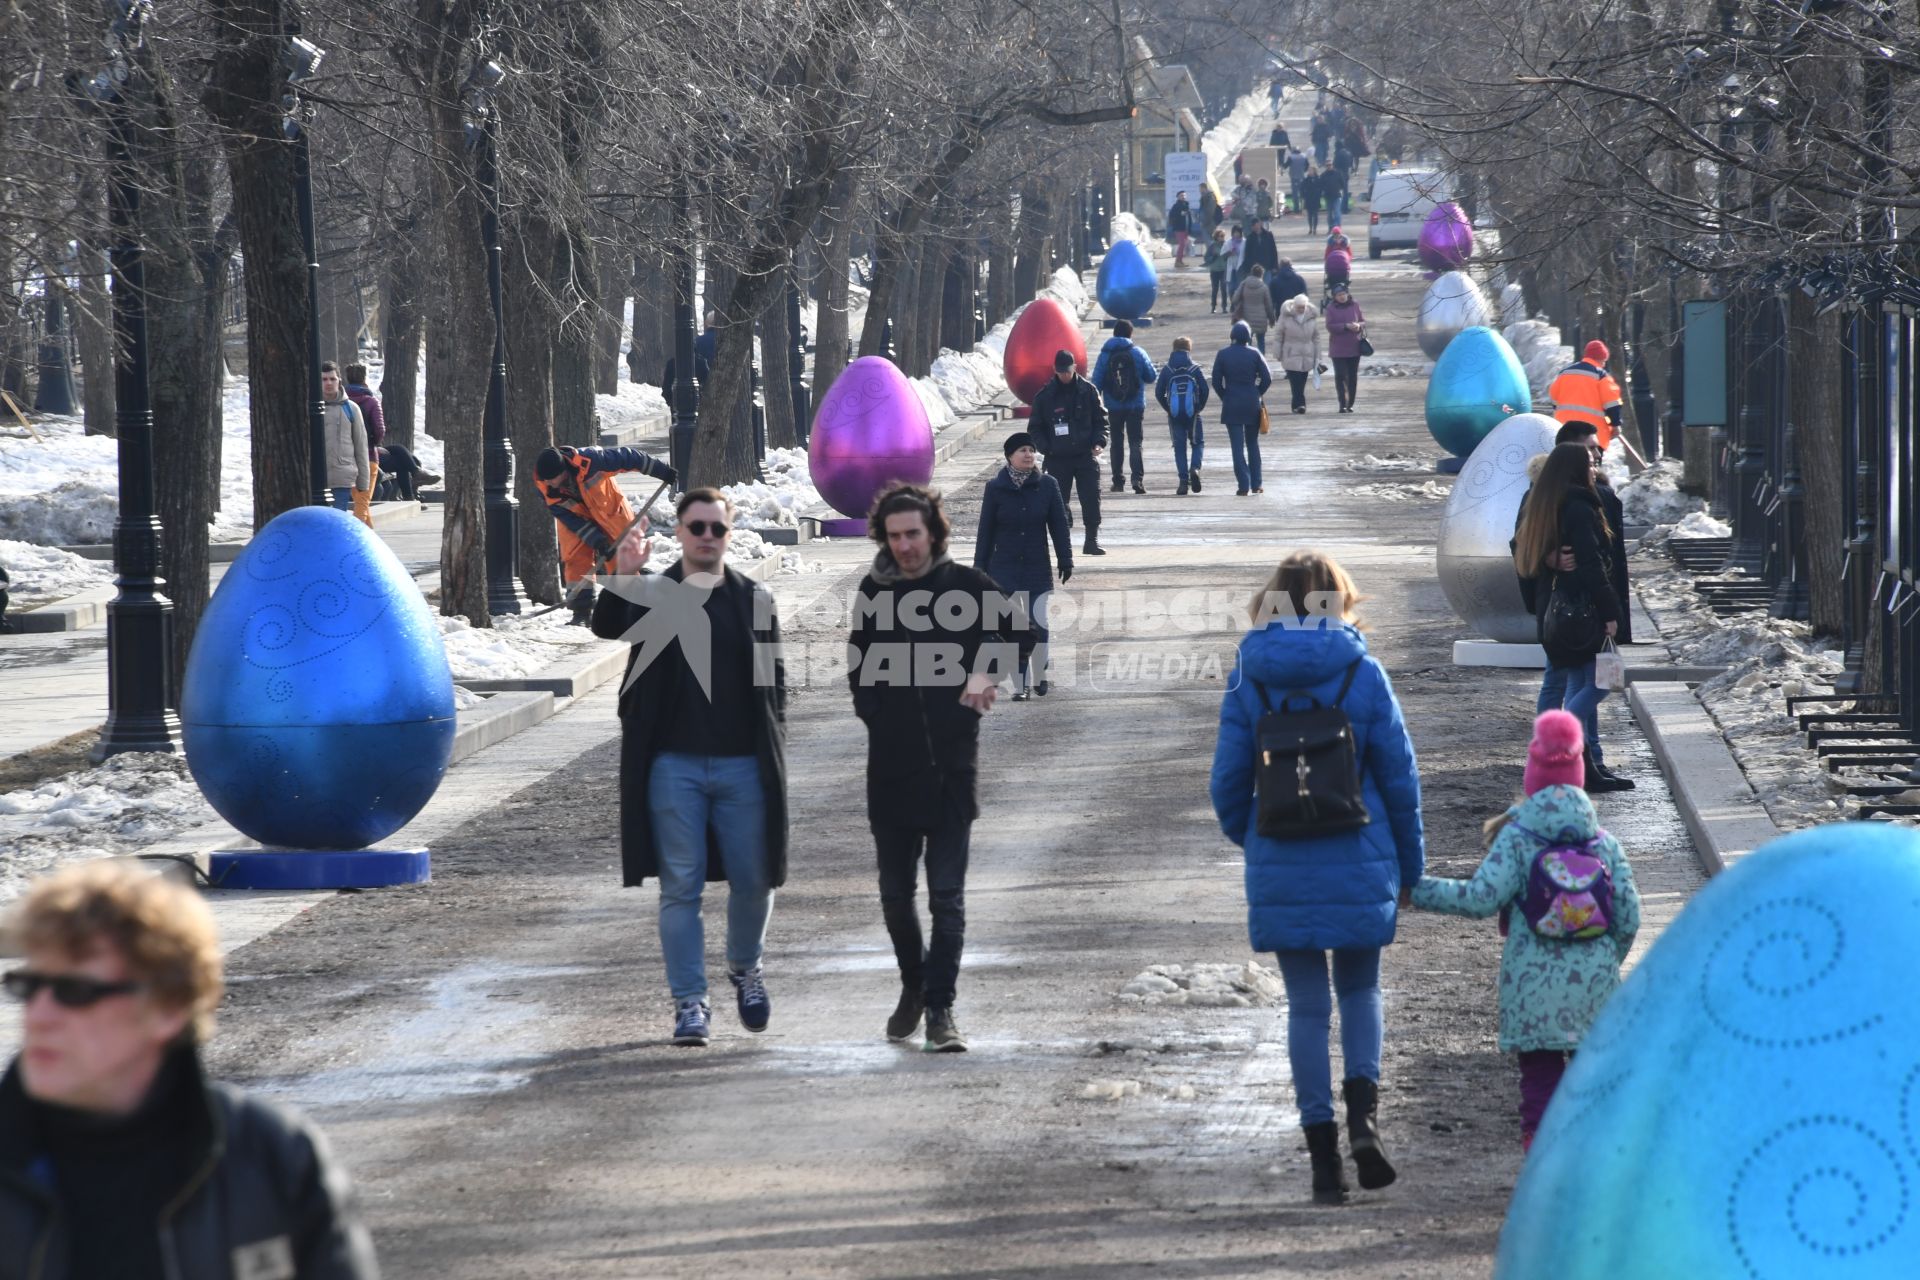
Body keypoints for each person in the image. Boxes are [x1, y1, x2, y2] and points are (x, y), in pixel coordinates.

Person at [0, 862, 379, 1274]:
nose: (39, 1015)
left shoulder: (271, 1155)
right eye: (29, 987)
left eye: (74, 991)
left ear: (168, 1008)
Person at [1209, 551, 1425, 1205]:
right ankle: (1364, 1118)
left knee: (1305, 1007)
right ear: (1340, 599)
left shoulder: (1249, 675)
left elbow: (1226, 783)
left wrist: (1253, 836)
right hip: (1360, 851)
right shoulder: (1363, 673)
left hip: (1281, 851)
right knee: (1360, 990)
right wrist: (1409, 867)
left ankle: (1323, 1156)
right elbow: (1400, 778)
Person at [591, 488, 790, 1045]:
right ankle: (690, 1003)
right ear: (679, 533)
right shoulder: (659, 592)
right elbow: (607, 625)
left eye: (716, 529)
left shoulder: (755, 599)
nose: (706, 537)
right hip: (672, 767)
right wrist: (623, 571)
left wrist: (773, 757)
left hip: (743, 767)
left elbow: (774, 691)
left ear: (728, 534)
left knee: (755, 879)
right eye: (696, 527)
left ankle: (745, 967)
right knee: (681, 886)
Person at [1409, 710, 1641, 1151]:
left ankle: (1540, 1154)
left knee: (1539, 1080)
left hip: (1531, 990)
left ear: (1532, 777)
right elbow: (1630, 917)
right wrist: (1606, 961)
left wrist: (1417, 891)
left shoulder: (1517, 838)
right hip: (1595, 987)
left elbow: (1480, 898)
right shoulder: (1604, 843)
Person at [849, 483, 1016, 1052]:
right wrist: (874, 713)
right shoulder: (873, 590)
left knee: (946, 896)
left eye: (913, 534)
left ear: (933, 533)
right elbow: (859, 665)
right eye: (894, 536)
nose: (904, 546)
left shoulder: (968, 586)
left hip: (950, 768)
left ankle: (941, 1009)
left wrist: (985, 671)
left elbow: (1025, 633)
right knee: (896, 897)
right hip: (890, 771)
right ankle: (914, 986)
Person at [1512, 444, 1632, 792]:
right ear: (1576, 470)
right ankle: (1558, 736)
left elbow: (1522, 548)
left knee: (1581, 682)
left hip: (1555, 609)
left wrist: (1548, 560)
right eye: (1590, 464)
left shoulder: (1544, 501)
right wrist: (1612, 613)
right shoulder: (1579, 505)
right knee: (1604, 680)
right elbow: (1592, 565)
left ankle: (1585, 767)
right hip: (1581, 610)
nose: (1594, 469)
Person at [534, 444, 677, 625]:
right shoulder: (544, 488)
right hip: (577, 521)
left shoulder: (593, 460)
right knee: (575, 557)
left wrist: (661, 471)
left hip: (610, 513)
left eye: (551, 479)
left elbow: (630, 457)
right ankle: (581, 612)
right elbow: (570, 519)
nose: (548, 483)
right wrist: (597, 541)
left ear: (563, 470)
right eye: (545, 479)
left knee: (622, 562)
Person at [974, 433, 1071, 699]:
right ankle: (1021, 686)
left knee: (1039, 625)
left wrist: (1066, 558)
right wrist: (979, 566)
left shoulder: (1048, 485)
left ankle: (1039, 671)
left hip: (1036, 566)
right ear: (1009, 456)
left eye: (1031, 449)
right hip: (1003, 569)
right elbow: (986, 530)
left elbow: (1059, 526)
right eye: (1022, 450)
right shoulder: (995, 488)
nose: (1029, 454)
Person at [1028, 349, 1109, 555]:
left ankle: (1091, 540)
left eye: (1068, 371)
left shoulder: (1088, 391)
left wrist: (1099, 442)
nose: (1064, 375)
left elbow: (1101, 422)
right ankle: (1064, 544)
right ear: (1055, 370)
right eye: (1061, 371)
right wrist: (1046, 447)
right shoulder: (1045, 396)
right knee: (1057, 502)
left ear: (1074, 368)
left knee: (1091, 498)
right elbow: (1035, 427)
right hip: (1057, 458)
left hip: (1084, 456)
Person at [1550, 340, 1648, 469]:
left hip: (1564, 430)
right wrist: (1615, 424)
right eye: (1604, 361)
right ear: (1602, 359)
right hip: (1591, 434)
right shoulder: (1601, 376)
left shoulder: (1565, 373)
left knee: (1565, 467)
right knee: (1589, 469)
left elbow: (1554, 399)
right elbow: (1612, 404)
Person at [1092, 320, 1158, 495]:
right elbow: (1151, 376)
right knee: (1136, 442)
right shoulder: (1137, 352)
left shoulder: (1105, 355)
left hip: (1113, 406)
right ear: (1130, 334)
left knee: (1116, 442)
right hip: (1135, 406)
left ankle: (1118, 481)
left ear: (1114, 334)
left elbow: (1096, 382)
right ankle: (1137, 480)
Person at [1210, 320, 1272, 496]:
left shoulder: (1222, 354)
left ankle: (1243, 485)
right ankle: (1257, 483)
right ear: (1249, 337)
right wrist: (1257, 392)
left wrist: (1225, 395)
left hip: (1232, 402)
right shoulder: (1255, 353)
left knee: (1236, 446)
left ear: (1232, 336)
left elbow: (1215, 381)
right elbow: (1267, 378)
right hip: (1252, 402)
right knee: (1252, 443)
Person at [1155, 336, 1211, 496]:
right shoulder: (1194, 368)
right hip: (1192, 413)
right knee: (1197, 443)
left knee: (1179, 448)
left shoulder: (1167, 370)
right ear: (1189, 349)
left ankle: (1183, 482)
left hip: (1174, 415)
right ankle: (1195, 468)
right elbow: (1205, 389)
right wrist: (1199, 407)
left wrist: (1168, 408)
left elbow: (1159, 392)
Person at [319, 362, 369, 520]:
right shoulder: (311, 407)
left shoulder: (351, 408)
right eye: (324, 379)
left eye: (332, 379)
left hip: (342, 477)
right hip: (317, 479)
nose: (328, 383)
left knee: (337, 521)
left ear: (339, 380)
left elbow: (361, 445)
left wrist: (363, 481)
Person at [341, 362, 385, 517]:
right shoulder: (371, 402)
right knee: (363, 501)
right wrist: (374, 443)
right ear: (364, 378)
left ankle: (369, 536)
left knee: (359, 499)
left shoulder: (342, 402)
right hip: (368, 456)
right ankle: (354, 537)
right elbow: (380, 429)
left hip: (346, 456)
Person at [1276, 294, 1323, 414]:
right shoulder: (1286, 317)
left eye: (1303, 307)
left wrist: (1318, 355)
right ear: (1294, 306)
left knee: (1302, 381)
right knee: (1294, 381)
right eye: (1299, 307)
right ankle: (1301, 405)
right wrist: (1277, 352)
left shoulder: (1311, 317)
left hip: (1307, 354)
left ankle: (1296, 405)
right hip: (1290, 353)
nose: (1301, 309)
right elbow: (1279, 335)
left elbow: (1316, 337)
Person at [1323, 283, 1366, 414]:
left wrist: (1358, 325)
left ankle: (1350, 403)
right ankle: (1342, 403)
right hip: (1338, 348)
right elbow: (1330, 326)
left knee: (1352, 377)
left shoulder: (1355, 305)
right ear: (1334, 297)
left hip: (1354, 347)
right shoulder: (1330, 308)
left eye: (1343, 294)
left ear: (1347, 294)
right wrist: (1346, 326)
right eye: (1338, 295)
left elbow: (1363, 321)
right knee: (1341, 376)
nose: (1342, 297)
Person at [1231, 264, 1278, 354]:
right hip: (1261, 318)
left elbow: (1235, 299)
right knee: (1261, 341)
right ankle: (1261, 360)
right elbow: (1268, 305)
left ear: (1251, 273)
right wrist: (1272, 319)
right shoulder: (1264, 287)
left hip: (1246, 318)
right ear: (1261, 274)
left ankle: (1248, 358)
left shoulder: (1244, 284)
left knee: (1247, 341)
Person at [1203, 227, 1232, 313]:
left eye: (1223, 236)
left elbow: (1228, 257)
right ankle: (1213, 306)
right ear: (1216, 237)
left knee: (1223, 288)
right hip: (1214, 270)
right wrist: (1213, 257)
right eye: (1221, 236)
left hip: (1223, 270)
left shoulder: (1226, 245)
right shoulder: (1212, 246)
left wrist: (1228, 254)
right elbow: (1206, 257)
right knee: (1215, 289)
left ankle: (1224, 307)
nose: (1222, 238)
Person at [1167, 190, 1194, 268]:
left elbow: (1189, 217)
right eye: (1182, 195)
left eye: (1184, 195)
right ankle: (1178, 261)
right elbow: (1172, 216)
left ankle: (1180, 261)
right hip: (1179, 228)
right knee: (1182, 244)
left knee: (1184, 245)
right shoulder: (1176, 206)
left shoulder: (1186, 205)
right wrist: (1180, 214)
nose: (1184, 197)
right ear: (1178, 197)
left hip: (1186, 228)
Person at [1301, 166, 1327, 236]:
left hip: (1316, 199)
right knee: (1309, 215)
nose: (1310, 172)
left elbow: (1321, 187)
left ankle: (1315, 229)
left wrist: (1319, 193)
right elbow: (1302, 188)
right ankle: (1310, 228)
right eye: (1309, 170)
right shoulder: (1306, 180)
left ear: (1314, 171)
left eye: (1311, 170)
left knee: (1315, 215)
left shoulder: (1318, 179)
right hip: (1308, 199)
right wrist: (1303, 196)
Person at [1224, 225, 1247, 296]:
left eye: (1238, 232)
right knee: (1231, 288)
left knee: (1239, 287)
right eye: (1234, 232)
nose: (1236, 234)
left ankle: (1239, 304)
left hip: (1240, 267)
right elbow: (1223, 255)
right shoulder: (1228, 242)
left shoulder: (1245, 242)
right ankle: (1233, 303)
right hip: (1231, 267)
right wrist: (1230, 253)